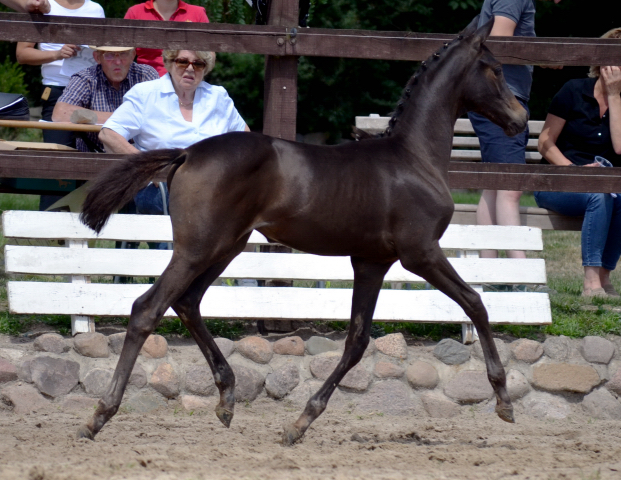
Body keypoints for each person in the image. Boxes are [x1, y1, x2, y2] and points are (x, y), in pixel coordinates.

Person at [99, 49, 249, 247]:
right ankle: (180, 271)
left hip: (212, 185)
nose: (190, 68)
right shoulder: (147, 94)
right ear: (169, 63)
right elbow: (109, 134)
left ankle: (241, 272)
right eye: (182, 62)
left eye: (198, 64)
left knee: (248, 201)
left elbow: (246, 139)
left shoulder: (217, 97)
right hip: (161, 185)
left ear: (205, 69)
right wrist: (147, 167)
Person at [468, 0, 562, 259]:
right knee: (510, 186)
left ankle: (488, 270)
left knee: (495, 185)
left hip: (496, 99)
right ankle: (519, 272)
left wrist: (540, 58)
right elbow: (500, 42)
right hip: (501, 102)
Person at [534, 27, 621, 298]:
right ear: (600, 61)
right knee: (600, 194)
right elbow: (544, 143)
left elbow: (619, 148)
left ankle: (605, 277)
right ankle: (591, 281)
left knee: (610, 195)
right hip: (558, 183)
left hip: (605, 188)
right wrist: (573, 172)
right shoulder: (573, 90)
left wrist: (615, 97)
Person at [16, 0, 105, 149]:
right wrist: (57, 54)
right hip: (57, 89)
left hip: (93, 90)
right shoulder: (42, 6)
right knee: (57, 151)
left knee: (95, 152)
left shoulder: (96, 9)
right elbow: (22, 54)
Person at [52, 46, 159, 152]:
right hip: (92, 155)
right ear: (97, 57)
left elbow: (158, 115)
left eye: (123, 54)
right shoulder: (86, 77)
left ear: (133, 55)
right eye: (109, 55)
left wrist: (88, 117)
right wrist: (124, 119)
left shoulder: (145, 75)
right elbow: (60, 113)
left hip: (138, 155)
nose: (117, 62)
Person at [124, 1, 209, 77]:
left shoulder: (198, 13)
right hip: (146, 81)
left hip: (185, 81)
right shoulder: (135, 12)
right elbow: (123, 56)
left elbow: (209, 56)